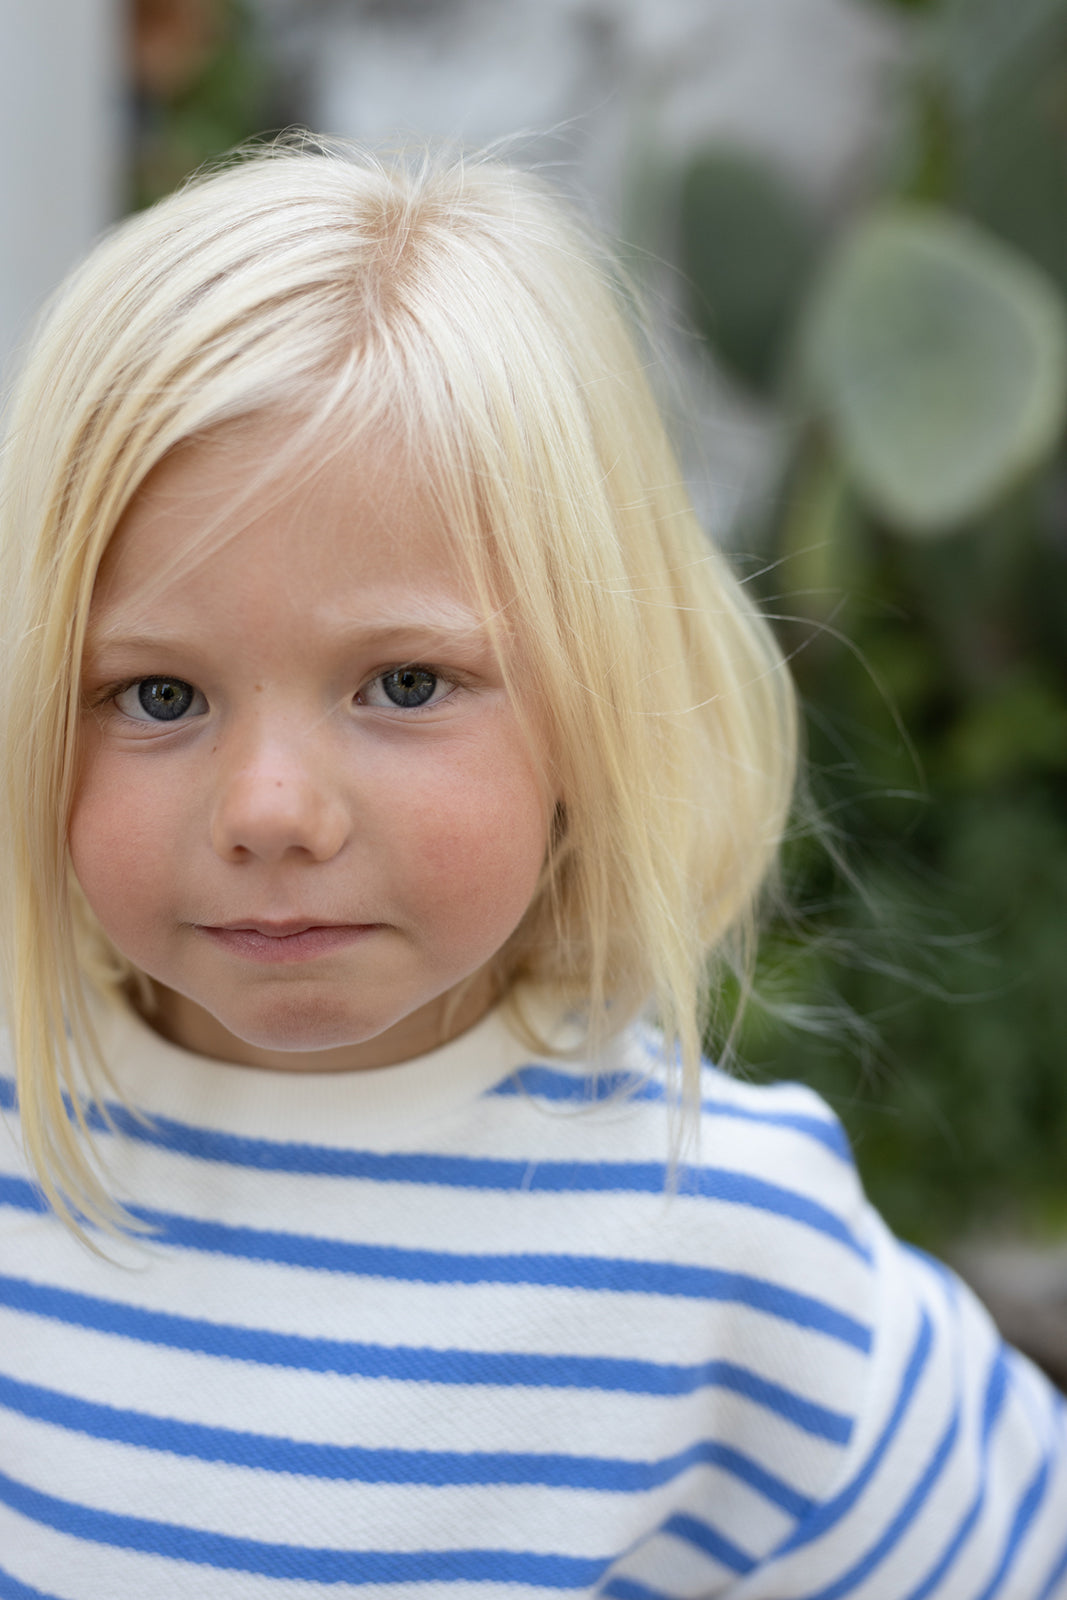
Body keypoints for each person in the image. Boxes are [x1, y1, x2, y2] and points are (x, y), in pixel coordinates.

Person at [0, 137, 1062, 1600]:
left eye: (407, 684)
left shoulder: (724, 1245)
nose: (270, 810)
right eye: (160, 697)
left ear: (593, 701)